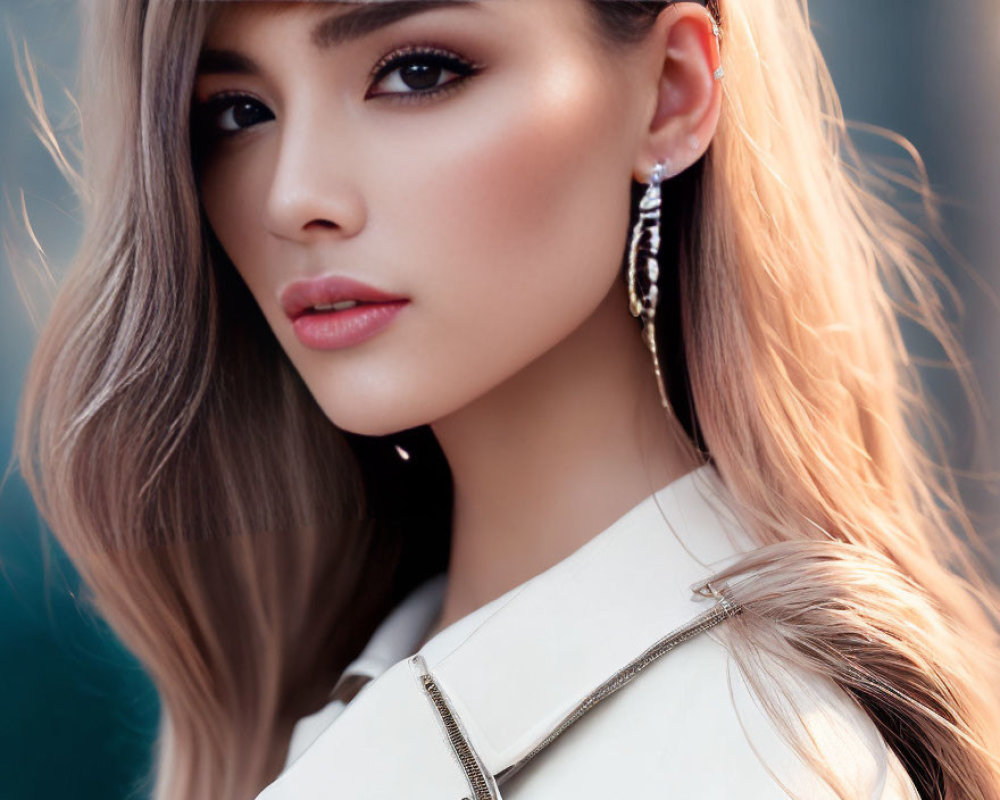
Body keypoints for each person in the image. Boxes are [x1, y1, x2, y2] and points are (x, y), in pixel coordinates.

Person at [12, 0, 1000, 798]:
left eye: (417, 70)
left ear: (669, 93)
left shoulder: (749, 753)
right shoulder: (345, 676)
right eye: (236, 111)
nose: (291, 195)